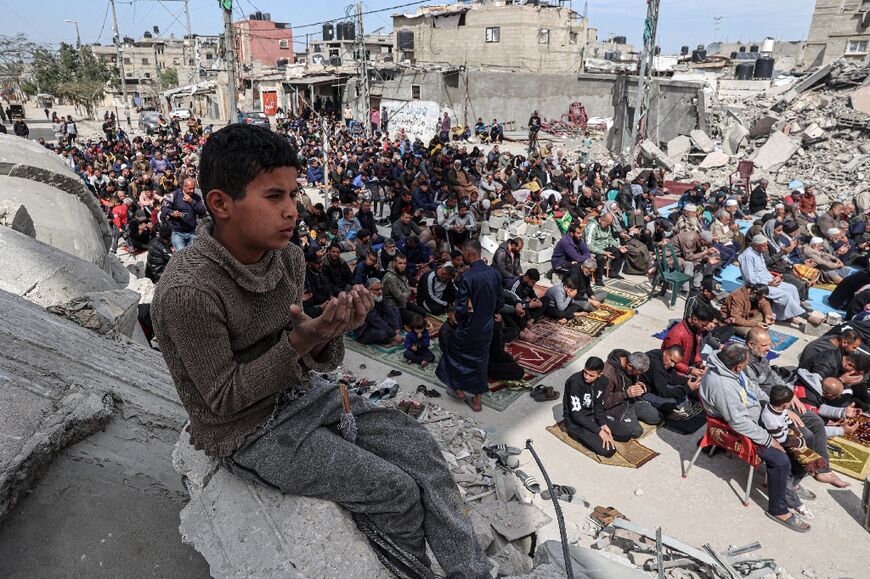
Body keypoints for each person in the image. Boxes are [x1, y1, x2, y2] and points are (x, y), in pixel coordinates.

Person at [150, 124, 491, 575]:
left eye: (294, 195)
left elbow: (315, 364)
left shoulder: (287, 258)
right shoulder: (189, 291)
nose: (293, 211)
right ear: (220, 204)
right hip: (249, 432)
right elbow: (223, 398)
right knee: (396, 491)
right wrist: (303, 339)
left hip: (301, 397)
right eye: (275, 197)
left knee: (420, 448)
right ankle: (412, 569)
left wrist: (331, 331)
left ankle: (471, 571)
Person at [700, 344, 811, 532]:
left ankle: (789, 486)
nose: (747, 366)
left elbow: (753, 390)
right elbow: (738, 423)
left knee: (804, 433)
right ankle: (778, 509)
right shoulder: (723, 386)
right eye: (745, 363)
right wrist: (769, 440)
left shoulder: (733, 371)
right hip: (737, 429)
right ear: (736, 366)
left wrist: (775, 409)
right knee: (780, 458)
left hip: (755, 416)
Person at [745, 327, 848, 488]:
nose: (769, 348)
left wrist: (791, 395)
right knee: (805, 434)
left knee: (816, 422)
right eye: (765, 345)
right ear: (751, 344)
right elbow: (755, 392)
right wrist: (783, 408)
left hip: (782, 400)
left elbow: (774, 376)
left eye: (769, 344)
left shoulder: (761, 357)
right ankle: (791, 481)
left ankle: (823, 470)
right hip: (770, 407)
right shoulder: (745, 364)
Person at [437, 239, 502, 412]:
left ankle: (458, 389)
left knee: (454, 353)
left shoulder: (468, 276)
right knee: (481, 360)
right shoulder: (495, 273)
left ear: (467, 253)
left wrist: (456, 315)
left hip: (470, 325)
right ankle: (477, 400)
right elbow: (500, 302)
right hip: (486, 325)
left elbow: (461, 306)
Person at [738, 234, 805, 323]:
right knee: (784, 295)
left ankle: (790, 315)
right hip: (758, 286)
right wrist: (768, 283)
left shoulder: (758, 252)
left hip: (769, 280)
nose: (766, 247)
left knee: (792, 288)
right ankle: (805, 316)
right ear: (755, 246)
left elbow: (763, 270)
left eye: (766, 245)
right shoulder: (748, 256)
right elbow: (750, 278)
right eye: (764, 246)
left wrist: (775, 278)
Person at [562, 357, 617, 457]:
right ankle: (575, 434)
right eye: (585, 372)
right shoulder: (575, 382)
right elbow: (576, 414)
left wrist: (603, 423)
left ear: (600, 375)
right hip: (576, 422)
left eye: (591, 375)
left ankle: (595, 431)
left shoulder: (603, 381)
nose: (587, 376)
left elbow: (598, 404)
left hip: (592, 416)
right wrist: (599, 431)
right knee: (609, 450)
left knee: (626, 433)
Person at [601, 350, 662, 440]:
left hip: (631, 401)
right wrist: (626, 394)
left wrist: (637, 384)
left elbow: (630, 380)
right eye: (637, 373)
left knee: (657, 418)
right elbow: (604, 403)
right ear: (629, 366)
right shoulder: (608, 374)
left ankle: (632, 415)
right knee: (636, 431)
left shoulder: (630, 361)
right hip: (615, 406)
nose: (638, 375)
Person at [662, 308, 713, 378]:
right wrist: (689, 370)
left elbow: (696, 350)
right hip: (674, 370)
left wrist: (699, 364)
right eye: (703, 325)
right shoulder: (677, 334)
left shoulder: (697, 329)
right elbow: (670, 359)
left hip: (688, 366)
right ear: (695, 319)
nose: (704, 328)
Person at [161, 178, 207, 251]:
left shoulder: (196, 197)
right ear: (183, 187)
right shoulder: (174, 195)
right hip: (177, 233)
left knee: (192, 254)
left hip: (192, 232)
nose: (192, 191)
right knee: (181, 256)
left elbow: (202, 210)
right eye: (190, 189)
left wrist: (192, 201)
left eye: (193, 188)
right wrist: (172, 213)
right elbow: (163, 207)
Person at [382, 253, 427, 326]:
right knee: (418, 319)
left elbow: (406, 290)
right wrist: (409, 291)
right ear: (394, 263)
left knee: (423, 313)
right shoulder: (389, 277)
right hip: (394, 307)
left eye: (404, 263)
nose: (403, 266)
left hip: (403, 303)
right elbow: (402, 298)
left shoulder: (400, 272)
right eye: (400, 263)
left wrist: (407, 290)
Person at [357, 278, 403, 346]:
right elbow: (376, 320)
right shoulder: (365, 302)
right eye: (377, 289)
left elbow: (389, 312)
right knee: (382, 334)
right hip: (366, 329)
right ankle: (391, 339)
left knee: (395, 310)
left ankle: (392, 336)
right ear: (369, 290)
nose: (380, 291)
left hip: (378, 322)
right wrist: (393, 334)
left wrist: (396, 328)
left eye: (380, 288)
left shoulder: (378, 297)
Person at [585, 212, 625, 282]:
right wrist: (603, 252)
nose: (608, 226)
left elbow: (610, 239)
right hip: (594, 248)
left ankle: (613, 273)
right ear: (602, 220)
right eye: (608, 223)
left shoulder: (607, 226)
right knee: (601, 257)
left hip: (604, 246)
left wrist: (619, 246)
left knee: (619, 252)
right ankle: (598, 279)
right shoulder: (592, 226)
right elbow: (589, 245)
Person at [303, 250, 331, 318]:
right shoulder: (305, 279)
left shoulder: (320, 271)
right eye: (317, 263)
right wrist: (321, 308)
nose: (320, 265)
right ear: (309, 264)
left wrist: (331, 296)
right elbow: (306, 309)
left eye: (321, 262)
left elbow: (327, 286)